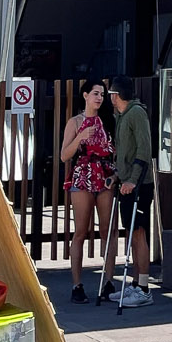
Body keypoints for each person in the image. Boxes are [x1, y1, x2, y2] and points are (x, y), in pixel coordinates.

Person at [60, 79, 115, 304]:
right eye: (95, 93)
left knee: (107, 230)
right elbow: (64, 155)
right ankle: (77, 284)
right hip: (83, 174)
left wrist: (116, 175)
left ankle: (109, 281)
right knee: (81, 230)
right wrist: (81, 137)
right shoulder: (75, 122)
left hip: (105, 174)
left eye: (102, 94)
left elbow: (116, 151)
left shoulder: (108, 120)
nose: (99, 98)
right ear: (85, 96)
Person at [107, 76, 153, 307]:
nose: (111, 99)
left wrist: (133, 180)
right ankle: (135, 284)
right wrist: (118, 176)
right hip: (127, 182)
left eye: (111, 95)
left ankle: (144, 287)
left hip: (140, 184)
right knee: (133, 233)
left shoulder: (136, 113)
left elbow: (144, 150)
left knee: (139, 233)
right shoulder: (122, 116)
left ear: (117, 95)